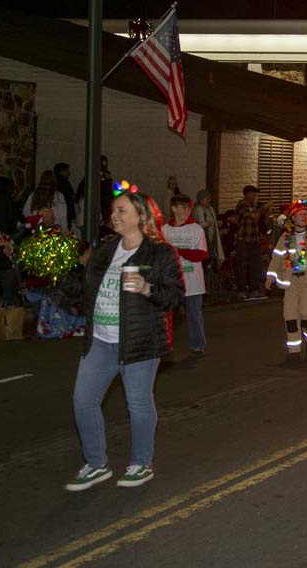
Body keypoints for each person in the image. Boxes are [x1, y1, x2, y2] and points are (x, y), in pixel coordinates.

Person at [60, 186, 183, 491]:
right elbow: (82, 291)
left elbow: (174, 297)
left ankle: (142, 462)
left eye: (121, 210)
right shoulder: (104, 250)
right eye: (113, 210)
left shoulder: (160, 253)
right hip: (100, 340)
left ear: (140, 216)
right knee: (83, 400)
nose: (113, 215)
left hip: (139, 341)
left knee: (138, 403)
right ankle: (96, 463)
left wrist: (147, 288)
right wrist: (63, 272)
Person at [266, 200, 307, 365]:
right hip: (291, 282)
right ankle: (294, 352)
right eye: (300, 214)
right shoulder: (286, 237)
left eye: (306, 214)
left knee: (306, 314)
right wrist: (270, 276)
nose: (304, 216)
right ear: (292, 218)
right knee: (290, 316)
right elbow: (277, 258)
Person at [163, 194, 209, 355]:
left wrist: (180, 251)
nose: (186, 211)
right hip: (172, 280)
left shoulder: (196, 229)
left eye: (188, 208)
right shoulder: (165, 230)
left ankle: (198, 343)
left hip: (192, 280)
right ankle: (163, 344)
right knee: (167, 314)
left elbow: (201, 254)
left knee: (194, 313)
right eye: (182, 207)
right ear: (174, 208)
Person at [234, 185, 269, 300]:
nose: (255, 196)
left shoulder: (252, 206)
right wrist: (262, 209)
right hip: (243, 239)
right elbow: (252, 216)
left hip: (254, 239)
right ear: (247, 194)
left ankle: (254, 289)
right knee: (242, 265)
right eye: (253, 193)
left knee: (255, 265)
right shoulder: (242, 205)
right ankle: (242, 290)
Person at [0, 210, 21, 304]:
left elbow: (10, 243)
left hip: (0, 262)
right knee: (9, 273)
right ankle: (9, 302)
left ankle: (15, 298)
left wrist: (8, 247)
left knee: (16, 264)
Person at [191, 189, 226, 268]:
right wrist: (206, 224)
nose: (210, 200)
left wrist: (216, 223)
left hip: (211, 238)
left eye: (210, 198)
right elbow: (197, 226)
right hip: (203, 240)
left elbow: (212, 222)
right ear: (201, 200)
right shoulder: (197, 210)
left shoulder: (210, 209)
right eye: (207, 199)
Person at [54, 162, 80, 234]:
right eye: (67, 170)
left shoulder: (57, 182)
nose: (69, 172)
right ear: (62, 172)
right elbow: (70, 198)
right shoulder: (64, 183)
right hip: (66, 214)